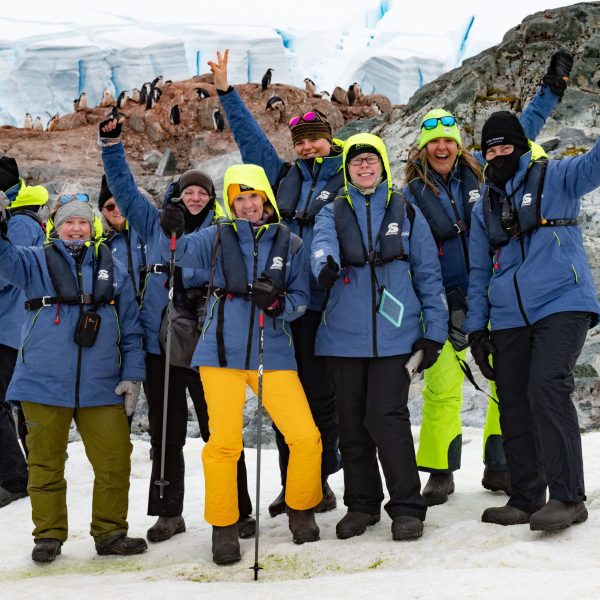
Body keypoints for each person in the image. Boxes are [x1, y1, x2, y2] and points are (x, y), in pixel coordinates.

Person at [402, 49, 572, 506]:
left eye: (449, 140)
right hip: (438, 300)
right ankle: (440, 469)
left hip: (492, 294)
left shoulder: (483, 168)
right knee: (443, 387)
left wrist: (551, 92)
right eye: (433, 141)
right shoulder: (410, 195)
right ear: (423, 146)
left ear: (458, 144)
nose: (442, 148)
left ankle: (501, 465)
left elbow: (522, 131)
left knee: (504, 382)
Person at [99, 116, 255, 542]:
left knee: (219, 432)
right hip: (159, 346)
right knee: (165, 435)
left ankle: (239, 508)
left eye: (202, 192)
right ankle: (169, 513)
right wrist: (111, 146)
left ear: (211, 199)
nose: (195, 197)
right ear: (177, 194)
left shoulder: (225, 232)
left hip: (209, 346)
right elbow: (124, 190)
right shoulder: (152, 223)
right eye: (188, 191)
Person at [159, 163, 323, 564]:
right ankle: (224, 525)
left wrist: (278, 303)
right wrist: (170, 227)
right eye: (239, 198)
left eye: (254, 196)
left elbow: (301, 299)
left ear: (265, 197)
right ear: (230, 203)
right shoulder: (214, 236)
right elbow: (178, 251)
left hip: (274, 354)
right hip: (220, 354)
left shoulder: (291, 244)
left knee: (305, 437)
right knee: (225, 443)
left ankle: (301, 507)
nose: (248, 204)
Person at [210, 49, 341, 516]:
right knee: (296, 401)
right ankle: (296, 486)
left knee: (323, 399)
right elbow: (251, 145)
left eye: (315, 141)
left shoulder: (350, 176)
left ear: (329, 140)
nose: (307, 148)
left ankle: (319, 482)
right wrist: (227, 93)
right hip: (285, 306)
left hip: (329, 306)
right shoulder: (282, 177)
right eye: (301, 142)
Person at [464, 109, 600, 531]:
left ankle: (567, 497)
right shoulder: (483, 203)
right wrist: (476, 329)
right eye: (491, 149)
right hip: (507, 314)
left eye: (506, 146)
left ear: (521, 147)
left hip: (562, 300)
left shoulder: (557, 176)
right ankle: (525, 497)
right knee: (514, 400)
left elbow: (595, 164)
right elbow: (479, 270)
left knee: (546, 386)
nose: (499, 154)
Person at [311, 132, 448, 541]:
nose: (364, 167)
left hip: (396, 337)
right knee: (351, 423)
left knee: (386, 417)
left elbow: (428, 273)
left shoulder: (405, 210)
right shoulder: (332, 211)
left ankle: (407, 507)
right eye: (356, 162)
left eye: (371, 160)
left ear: (382, 165)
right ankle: (362, 505)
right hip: (342, 338)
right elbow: (320, 247)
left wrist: (434, 333)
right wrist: (326, 264)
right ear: (348, 169)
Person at [0, 191, 147, 561]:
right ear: (55, 227)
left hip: (103, 384)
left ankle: (111, 532)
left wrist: (133, 375)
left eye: (82, 221)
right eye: (68, 222)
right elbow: (3, 259)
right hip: (42, 382)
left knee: (115, 460)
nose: (75, 228)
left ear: (92, 226)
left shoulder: (114, 267)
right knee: (45, 462)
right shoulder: (32, 262)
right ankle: (48, 535)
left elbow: (131, 328)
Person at [0, 156, 49, 508]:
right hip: (17, 326)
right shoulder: (26, 221)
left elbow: (7, 275)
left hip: (8, 327)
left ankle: (17, 477)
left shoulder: (16, 224)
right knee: (20, 401)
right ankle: (31, 470)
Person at [98, 174, 147, 303]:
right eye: (110, 207)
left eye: (120, 202)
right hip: (117, 305)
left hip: (147, 303)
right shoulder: (98, 238)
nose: (117, 210)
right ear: (102, 210)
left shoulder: (144, 230)